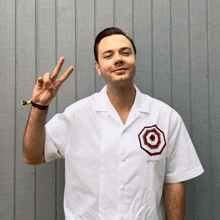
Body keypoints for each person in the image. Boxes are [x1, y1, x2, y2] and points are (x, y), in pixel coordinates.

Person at [23, 27, 204, 220]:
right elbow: (33, 156)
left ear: (134, 59)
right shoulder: (76, 116)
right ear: (98, 67)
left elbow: (174, 181)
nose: (118, 59)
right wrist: (39, 106)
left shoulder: (166, 117)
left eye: (125, 53)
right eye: (108, 55)